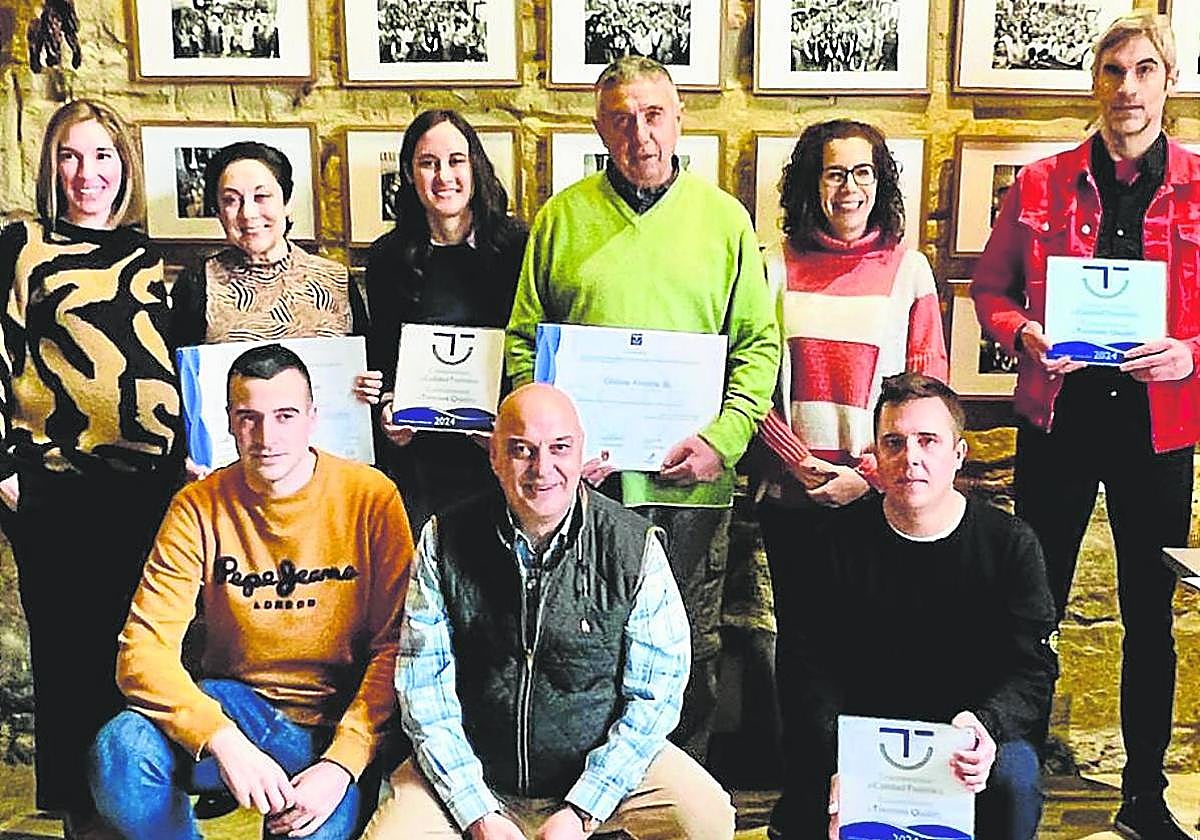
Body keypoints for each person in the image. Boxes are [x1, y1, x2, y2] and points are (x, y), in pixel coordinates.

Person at [505, 55, 780, 763]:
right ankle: (588, 799)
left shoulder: (724, 222)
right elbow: (523, 346)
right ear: (600, 127)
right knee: (585, 639)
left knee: (686, 640)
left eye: (654, 114)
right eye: (622, 118)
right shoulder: (562, 218)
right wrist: (549, 451)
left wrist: (724, 437)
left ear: (680, 119)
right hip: (581, 486)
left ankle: (674, 793)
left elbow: (756, 345)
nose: (641, 133)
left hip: (690, 480)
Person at [970, 12, 1200, 838]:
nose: (1127, 87)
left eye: (1144, 70)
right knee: (1033, 611)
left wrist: (1191, 355)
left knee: (1150, 613)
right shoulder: (1040, 183)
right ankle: (1015, 786)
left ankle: (1143, 797)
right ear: (1094, 81)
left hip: (1159, 430)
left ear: (1168, 82)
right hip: (1058, 422)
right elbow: (990, 292)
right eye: (1112, 70)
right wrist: (1023, 335)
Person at [361, 383, 735, 840]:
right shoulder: (444, 539)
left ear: (582, 453)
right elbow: (424, 692)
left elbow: (655, 697)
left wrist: (583, 811)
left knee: (706, 816)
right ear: (495, 456)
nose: (543, 469)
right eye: (522, 450)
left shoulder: (633, 546)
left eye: (560, 448)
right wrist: (477, 813)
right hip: (477, 773)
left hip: (592, 772)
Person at [88, 343, 413, 840]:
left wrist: (342, 765)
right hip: (237, 707)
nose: (266, 436)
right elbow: (141, 652)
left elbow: (397, 647)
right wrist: (221, 739)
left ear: (312, 417)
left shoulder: (371, 497)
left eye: (284, 416)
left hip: (334, 726)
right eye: (249, 418)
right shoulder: (198, 506)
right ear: (228, 420)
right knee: (120, 751)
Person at [755, 119, 947, 839]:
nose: (848, 188)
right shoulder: (773, 264)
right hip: (793, 496)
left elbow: (927, 390)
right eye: (834, 173)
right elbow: (748, 377)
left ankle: (875, 804)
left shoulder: (910, 270)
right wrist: (794, 463)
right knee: (801, 656)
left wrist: (866, 476)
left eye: (862, 173)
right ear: (811, 181)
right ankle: (804, 801)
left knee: (877, 651)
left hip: (878, 501)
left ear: (881, 181)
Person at [0, 99, 183, 839]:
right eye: (71, 157)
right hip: (56, 486)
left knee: (140, 650)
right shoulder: (21, 244)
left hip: (147, 492)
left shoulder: (145, 255)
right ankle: (84, 818)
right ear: (52, 167)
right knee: (70, 656)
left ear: (124, 167)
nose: (88, 173)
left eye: (103, 156)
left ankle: (136, 802)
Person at [787, 373, 1056, 840]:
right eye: (894, 442)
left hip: (970, 732)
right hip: (864, 737)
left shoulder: (1010, 545)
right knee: (803, 806)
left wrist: (987, 726)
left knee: (1015, 778)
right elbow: (807, 668)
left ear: (958, 455)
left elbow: (1032, 668)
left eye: (928, 441)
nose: (910, 457)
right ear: (876, 455)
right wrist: (840, 757)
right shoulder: (831, 543)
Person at [367, 110, 528, 530]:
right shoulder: (388, 256)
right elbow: (383, 356)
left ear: (475, 165)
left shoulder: (517, 247)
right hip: (422, 459)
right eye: (427, 163)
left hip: (502, 450)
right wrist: (388, 409)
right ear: (409, 173)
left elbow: (532, 345)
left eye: (456, 160)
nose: (444, 176)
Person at [169, 141, 379, 407]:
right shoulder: (197, 283)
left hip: (331, 444)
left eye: (261, 197)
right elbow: (181, 386)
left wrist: (370, 387)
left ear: (287, 201)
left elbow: (371, 367)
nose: (248, 213)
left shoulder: (335, 279)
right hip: (235, 446)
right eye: (231, 200)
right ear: (219, 212)